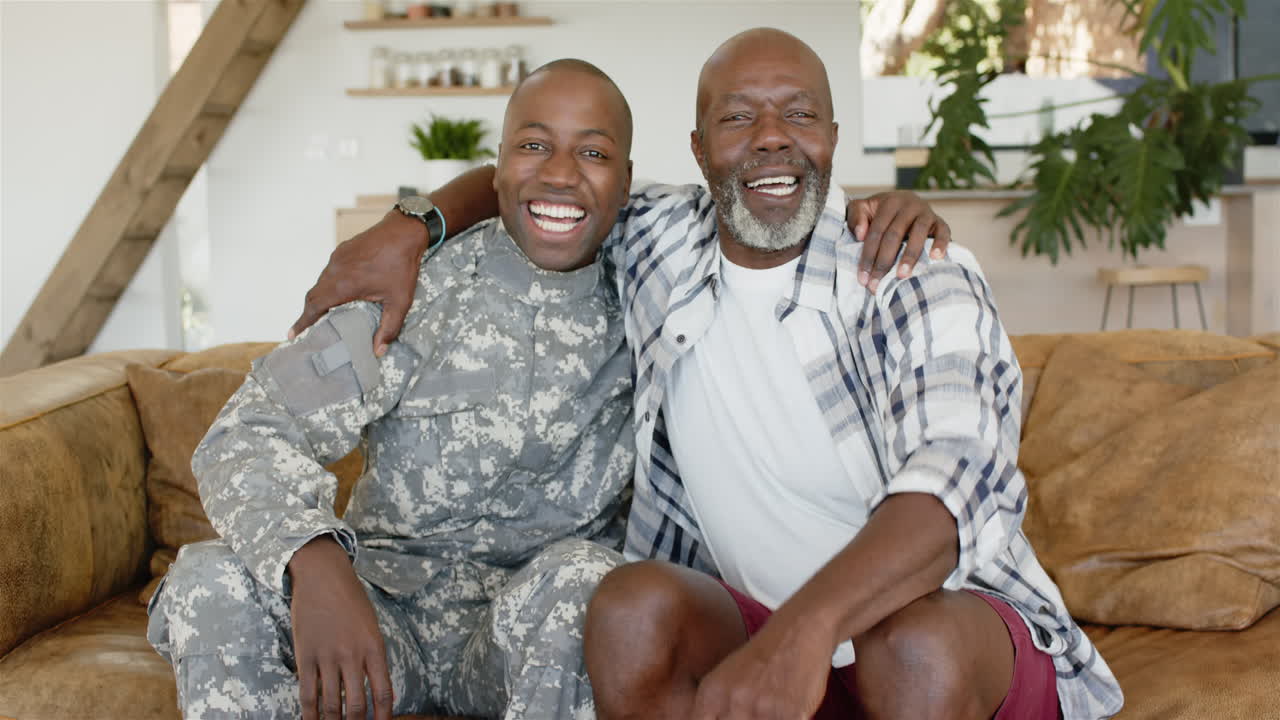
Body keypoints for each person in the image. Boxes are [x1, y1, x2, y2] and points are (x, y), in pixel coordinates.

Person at [296, 28, 1125, 720]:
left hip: (944, 636)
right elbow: (543, 174)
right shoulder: (658, 237)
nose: (771, 136)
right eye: (739, 118)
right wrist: (412, 226)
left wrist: (798, 639)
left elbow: (952, 489)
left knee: (910, 651)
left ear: (833, 138)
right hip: (759, 629)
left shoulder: (916, 274)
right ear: (698, 150)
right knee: (626, 611)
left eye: (799, 114)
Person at [147, 59, 642, 720]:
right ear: (495, 169)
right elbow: (250, 428)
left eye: (593, 151)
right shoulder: (414, 286)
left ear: (628, 180)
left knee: (593, 582)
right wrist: (314, 561)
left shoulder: (652, 300)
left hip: (524, 633)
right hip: (381, 621)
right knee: (207, 579)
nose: (558, 172)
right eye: (533, 144)